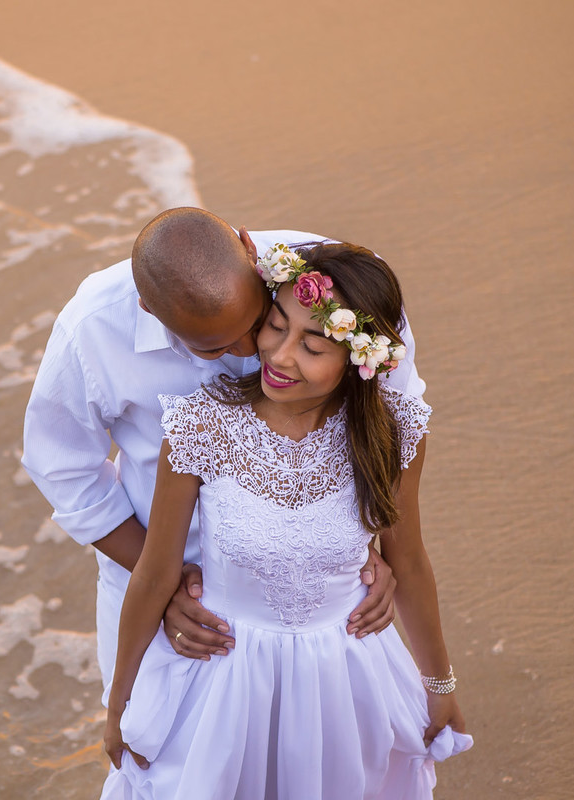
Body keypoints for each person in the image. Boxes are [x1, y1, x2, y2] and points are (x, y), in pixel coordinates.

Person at [101, 241, 471, 798]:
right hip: (224, 681)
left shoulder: (393, 435)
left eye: (313, 345)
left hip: (345, 686)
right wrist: (119, 703)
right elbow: (154, 573)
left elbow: (410, 562)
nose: (279, 355)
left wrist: (439, 684)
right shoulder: (204, 425)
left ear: (358, 359)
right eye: (275, 326)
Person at [22, 208, 424, 703]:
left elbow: (387, 418)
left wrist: (368, 549)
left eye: (258, 321)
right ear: (150, 311)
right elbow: (62, 469)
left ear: (252, 251)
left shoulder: (337, 291)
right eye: (215, 350)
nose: (257, 350)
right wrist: (162, 582)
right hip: (168, 594)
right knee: (159, 752)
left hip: (321, 591)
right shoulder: (93, 329)